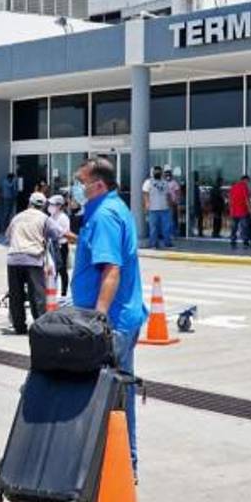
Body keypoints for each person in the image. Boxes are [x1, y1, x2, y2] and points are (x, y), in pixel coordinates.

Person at [71, 157, 147, 477]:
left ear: (98, 185)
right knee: (117, 390)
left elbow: (111, 269)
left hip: (112, 322)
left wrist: (98, 320)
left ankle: (119, 466)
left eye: (80, 181)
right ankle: (121, 464)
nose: (76, 186)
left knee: (110, 393)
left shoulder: (104, 215)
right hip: (121, 317)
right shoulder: (112, 210)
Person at [5, 192, 63, 334]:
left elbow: (7, 236)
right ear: (43, 206)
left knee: (16, 295)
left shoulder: (17, 217)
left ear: (29, 203)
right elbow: (57, 233)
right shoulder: (44, 218)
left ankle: (19, 327)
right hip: (33, 259)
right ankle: (40, 327)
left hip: (14, 259)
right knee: (37, 295)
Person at [47, 195, 73, 296]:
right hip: (52, 246)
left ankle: (63, 293)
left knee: (62, 270)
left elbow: (65, 233)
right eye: (50, 204)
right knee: (52, 270)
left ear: (60, 206)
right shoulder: (51, 217)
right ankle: (52, 292)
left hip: (61, 246)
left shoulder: (63, 218)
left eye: (53, 204)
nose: (50, 206)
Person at [142, 166, 172, 250]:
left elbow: (168, 194)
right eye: (156, 172)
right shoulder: (148, 182)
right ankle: (153, 244)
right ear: (153, 172)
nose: (157, 173)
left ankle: (167, 243)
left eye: (159, 171)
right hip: (153, 209)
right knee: (153, 228)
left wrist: (169, 204)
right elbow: (145, 193)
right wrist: (146, 204)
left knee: (166, 227)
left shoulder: (165, 182)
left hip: (164, 208)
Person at [229, 175, 251, 249]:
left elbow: (230, 199)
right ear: (245, 180)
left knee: (234, 227)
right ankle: (245, 241)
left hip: (234, 210)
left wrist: (231, 209)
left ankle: (233, 240)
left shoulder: (233, 187)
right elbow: (247, 199)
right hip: (243, 210)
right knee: (244, 227)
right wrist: (250, 209)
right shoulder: (244, 187)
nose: (248, 183)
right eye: (248, 181)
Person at [164, 168, 182, 240]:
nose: (167, 176)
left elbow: (178, 192)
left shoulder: (174, 183)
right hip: (163, 204)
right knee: (166, 220)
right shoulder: (163, 183)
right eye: (166, 175)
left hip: (172, 204)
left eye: (169, 175)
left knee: (172, 220)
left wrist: (176, 201)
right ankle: (166, 234)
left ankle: (173, 234)